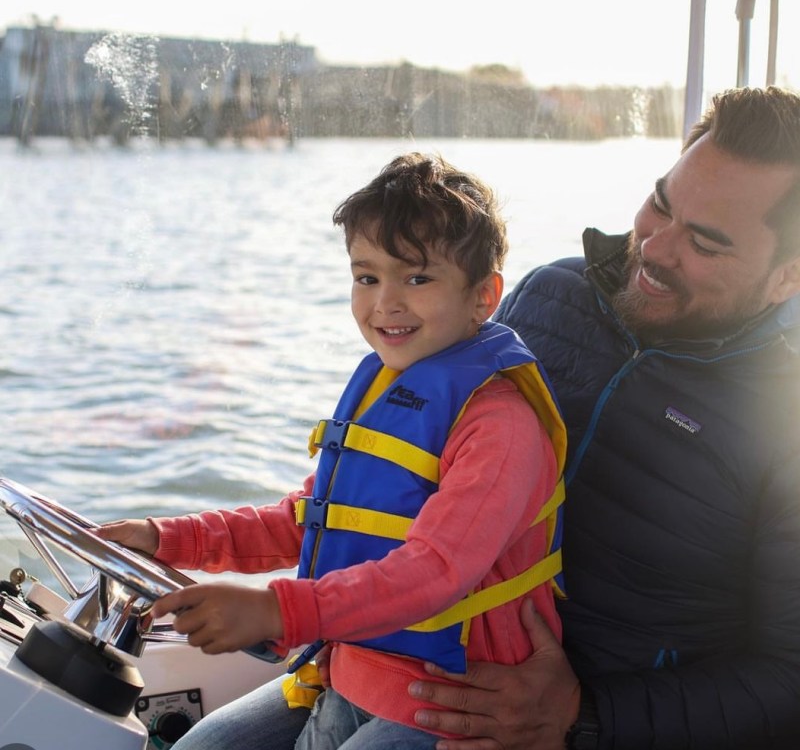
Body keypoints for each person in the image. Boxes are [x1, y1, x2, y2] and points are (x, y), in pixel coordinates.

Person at [99, 152, 568, 748]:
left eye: (417, 278)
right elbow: (309, 518)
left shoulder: (502, 427)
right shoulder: (388, 385)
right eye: (367, 277)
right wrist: (165, 537)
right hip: (346, 671)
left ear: (484, 296)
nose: (385, 304)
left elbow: (436, 572)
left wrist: (278, 612)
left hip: (450, 708)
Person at [405, 85, 800, 750]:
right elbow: (429, 460)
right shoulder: (548, 296)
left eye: (705, 243)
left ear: (786, 278)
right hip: (422, 645)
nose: (656, 247)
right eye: (662, 205)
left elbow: (789, 678)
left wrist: (583, 714)